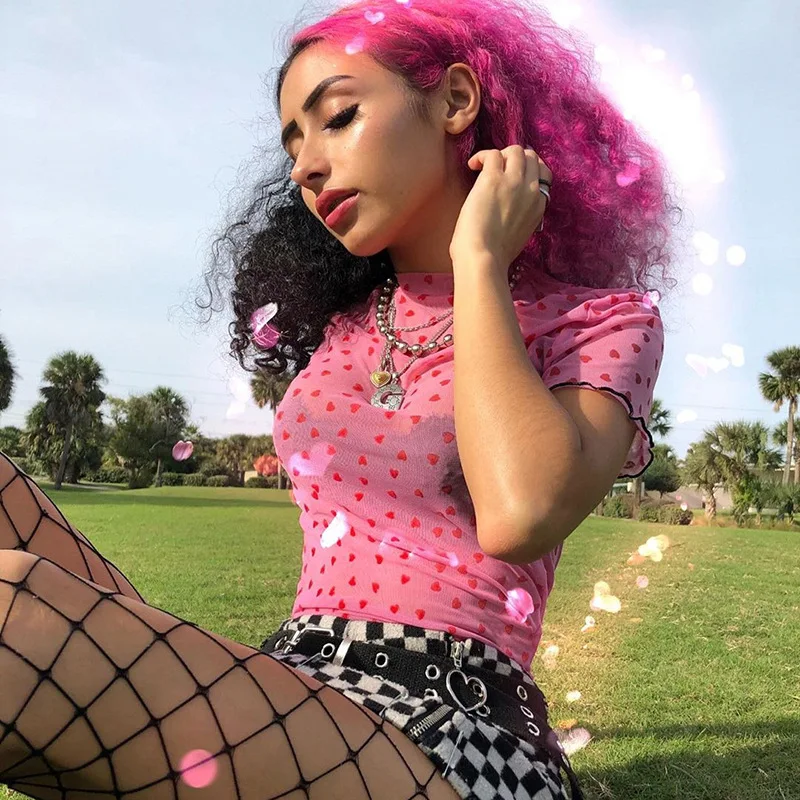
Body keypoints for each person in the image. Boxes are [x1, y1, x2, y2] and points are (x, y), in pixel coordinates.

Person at [0, 0, 680, 797]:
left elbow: (519, 513)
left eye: (338, 118)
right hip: (298, 684)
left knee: (11, 614)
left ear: (456, 100)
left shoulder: (599, 323)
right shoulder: (346, 325)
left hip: (455, 726)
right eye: (293, 145)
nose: (304, 168)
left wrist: (480, 260)